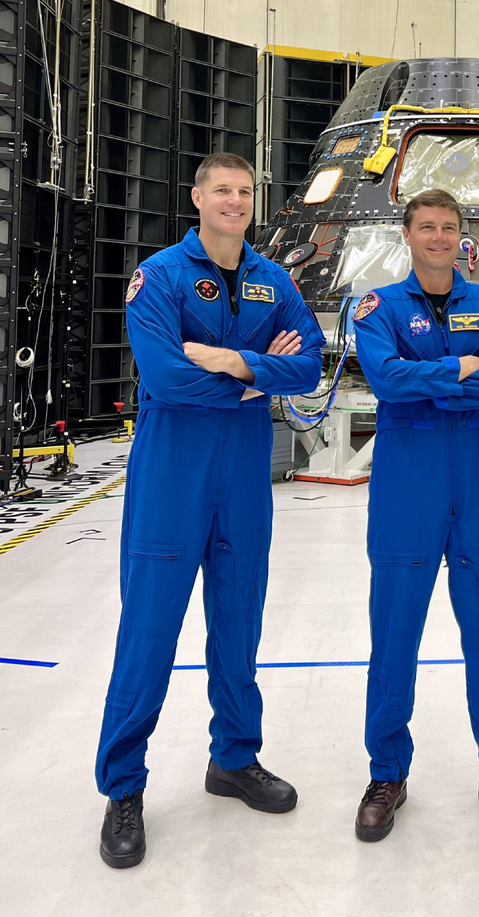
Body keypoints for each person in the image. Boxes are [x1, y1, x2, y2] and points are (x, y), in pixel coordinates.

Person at [95, 152, 326, 868]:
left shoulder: (273, 280)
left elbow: (311, 362)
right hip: (172, 476)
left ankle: (234, 758)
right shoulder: (160, 276)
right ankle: (123, 787)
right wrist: (257, 374)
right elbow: (161, 373)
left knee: (238, 625)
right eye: (221, 189)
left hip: (243, 479)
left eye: (245, 191)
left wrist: (228, 362)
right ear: (197, 198)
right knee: (149, 632)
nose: (234, 200)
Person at [351, 188, 479, 841]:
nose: (438, 237)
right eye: (426, 226)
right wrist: (462, 370)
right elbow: (384, 380)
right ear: (406, 234)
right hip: (407, 491)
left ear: (462, 237)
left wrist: (433, 376)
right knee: (395, 636)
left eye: (448, 227)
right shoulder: (378, 306)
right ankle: (387, 772)